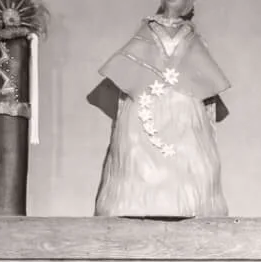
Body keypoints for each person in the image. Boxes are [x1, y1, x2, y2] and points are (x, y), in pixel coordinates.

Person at [94, 0, 230, 218]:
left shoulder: (192, 37)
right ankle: (134, 201)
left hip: (185, 101)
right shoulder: (148, 29)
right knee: (138, 147)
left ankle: (190, 203)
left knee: (187, 150)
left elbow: (205, 76)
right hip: (146, 97)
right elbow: (129, 63)